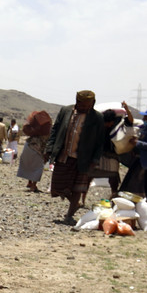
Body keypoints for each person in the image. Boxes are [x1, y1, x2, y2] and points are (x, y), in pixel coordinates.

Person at [45, 90, 105, 224]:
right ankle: (75, 203)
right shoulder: (66, 111)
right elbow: (55, 130)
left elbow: (100, 141)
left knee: (78, 187)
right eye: (79, 103)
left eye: (85, 104)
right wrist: (49, 149)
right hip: (64, 156)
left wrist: (95, 160)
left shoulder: (97, 118)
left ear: (92, 103)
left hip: (83, 159)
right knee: (57, 187)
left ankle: (69, 215)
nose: (81, 106)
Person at [96, 104, 133, 198]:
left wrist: (127, 109)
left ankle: (114, 193)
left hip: (113, 154)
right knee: (90, 175)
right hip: (100, 153)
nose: (109, 125)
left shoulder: (119, 125)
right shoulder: (99, 126)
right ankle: (82, 198)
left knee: (113, 176)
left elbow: (130, 121)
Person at [16, 110, 52, 192]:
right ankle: (33, 185)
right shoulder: (48, 133)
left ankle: (29, 182)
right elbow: (46, 144)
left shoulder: (34, 132)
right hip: (37, 150)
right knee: (38, 167)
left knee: (29, 165)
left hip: (28, 146)